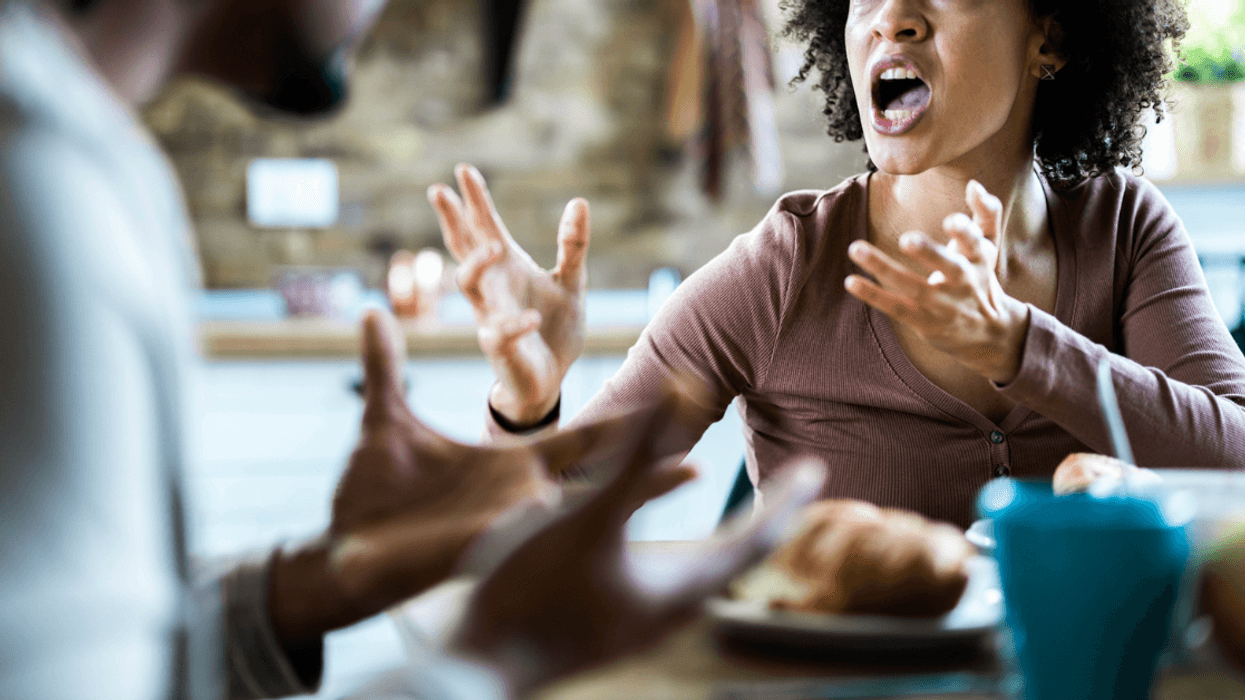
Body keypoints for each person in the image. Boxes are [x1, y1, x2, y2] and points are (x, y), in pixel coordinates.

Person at [0, 0, 825, 698]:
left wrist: (322, 579)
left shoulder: (77, 157)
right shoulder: (36, 187)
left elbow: (125, 662)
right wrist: (500, 657)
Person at [431, 0, 1245, 529]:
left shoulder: (1122, 227)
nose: (893, 18)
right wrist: (525, 406)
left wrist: (1020, 347)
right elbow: (536, 524)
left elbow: (1235, 455)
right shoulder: (782, 270)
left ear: (1050, 37)